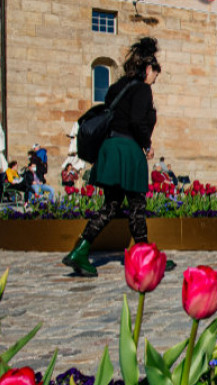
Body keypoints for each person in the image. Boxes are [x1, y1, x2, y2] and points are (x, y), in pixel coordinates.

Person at [63, 37, 169, 277]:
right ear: (148, 69)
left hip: (110, 149)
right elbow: (135, 121)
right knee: (137, 207)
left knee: (111, 205)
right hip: (127, 150)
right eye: (155, 76)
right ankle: (146, 260)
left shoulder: (116, 88)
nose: (154, 81)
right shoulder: (142, 88)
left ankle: (80, 250)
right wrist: (147, 145)